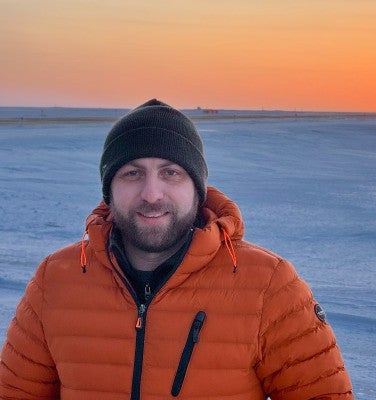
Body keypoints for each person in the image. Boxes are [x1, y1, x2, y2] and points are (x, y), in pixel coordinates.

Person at [0, 99, 354, 399]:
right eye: (132, 173)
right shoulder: (55, 280)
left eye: (170, 173)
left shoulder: (269, 284)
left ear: (197, 189)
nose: (152, 194)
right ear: (109, 191)